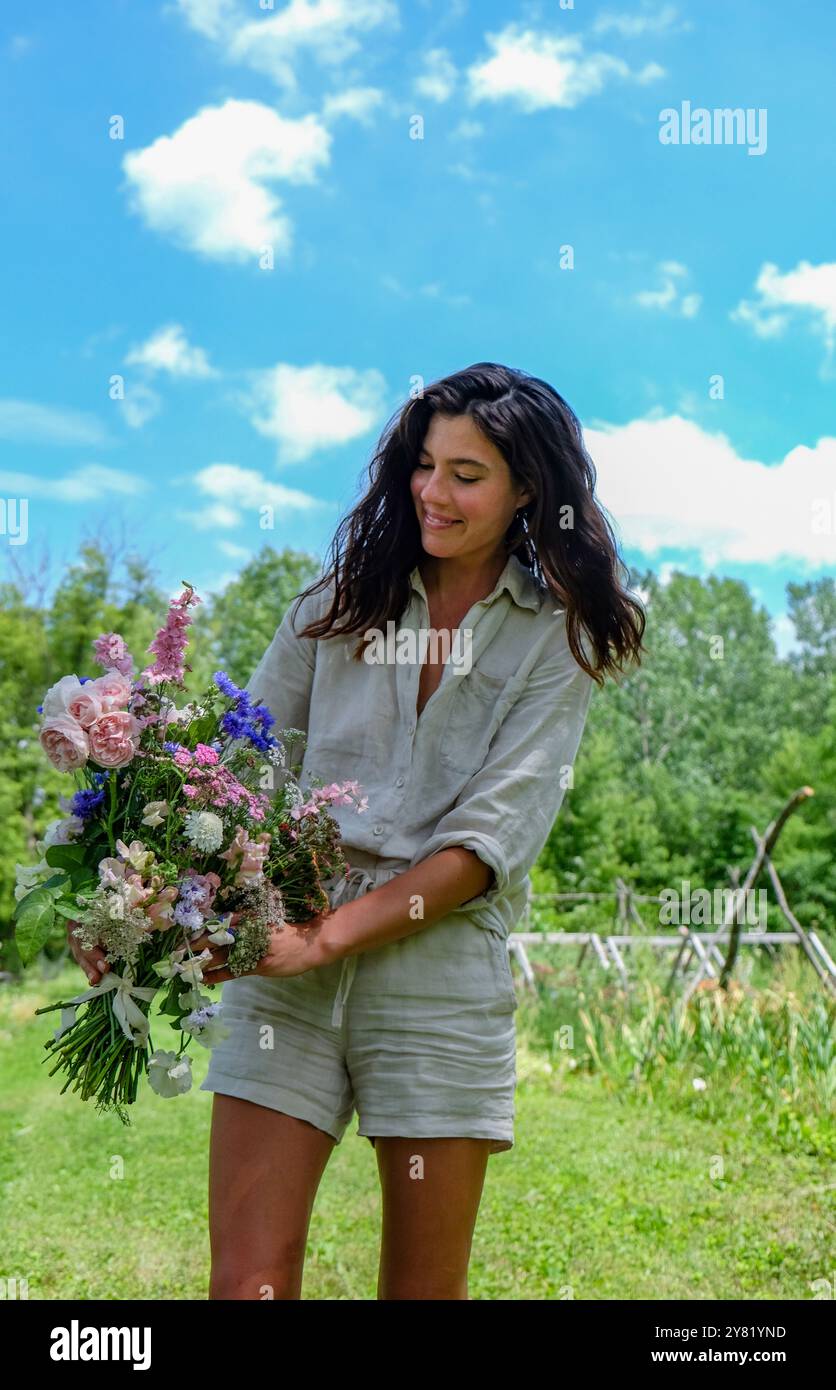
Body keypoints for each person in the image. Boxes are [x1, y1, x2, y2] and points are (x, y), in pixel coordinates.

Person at [69, 362, 645, 1300]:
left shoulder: (553, 640)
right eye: (425, 464)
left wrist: (324, 941)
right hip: (285, 952)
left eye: (468, 473)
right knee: (247, 1285)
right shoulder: (331, 609)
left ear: (528, 489)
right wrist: (134, 916)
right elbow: (231, 785)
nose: (433, 491)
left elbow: (484, 847)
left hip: (437, 970)